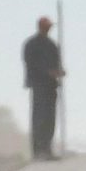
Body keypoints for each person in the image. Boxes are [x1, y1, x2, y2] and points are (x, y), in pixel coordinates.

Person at [23, 16, 64, 161]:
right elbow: (31, 64)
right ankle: (38, 151)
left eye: (50, 26)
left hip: (51, 86)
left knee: (50, 119)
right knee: (39, 118)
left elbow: (56, 63)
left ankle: (47, 149)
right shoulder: (31, 44)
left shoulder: (52, 45)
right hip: (38, 85)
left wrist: (59, 71)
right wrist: (48, 72)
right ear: (40, 27)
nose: (49, 29)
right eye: (47, 26)